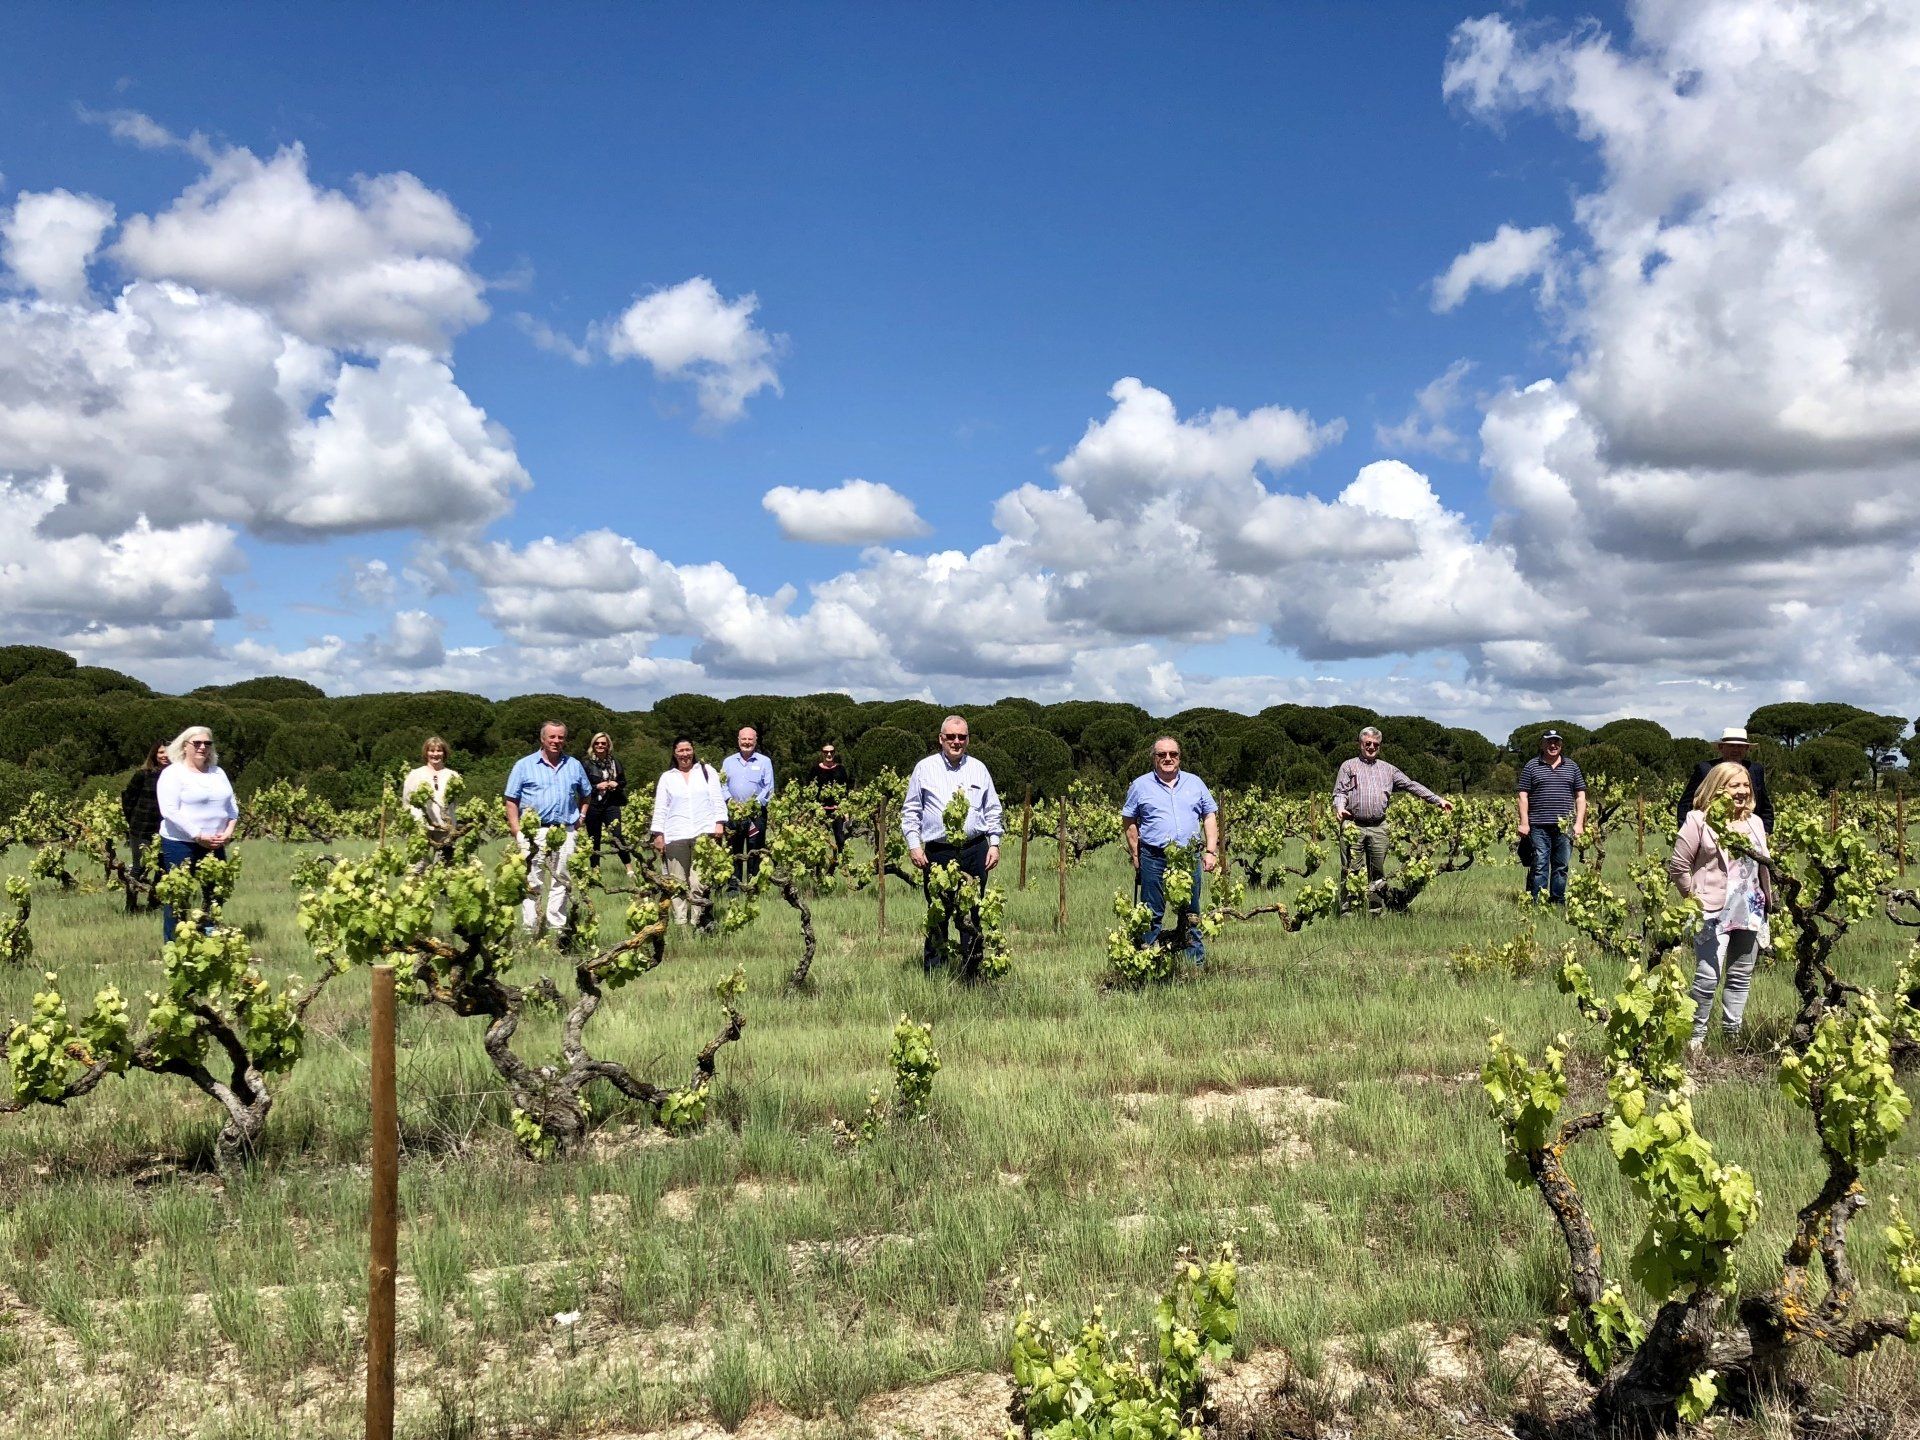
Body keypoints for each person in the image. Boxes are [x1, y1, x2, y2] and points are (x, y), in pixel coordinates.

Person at [1669, 762, 1771, 1052]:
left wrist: (1768, 903)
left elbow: (1763, 864)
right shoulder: (1697, 819)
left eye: (1745, 785)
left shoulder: (1756, 823)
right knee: (1707, 976)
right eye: (1734, 785)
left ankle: (1732, 1037)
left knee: (1740, 975)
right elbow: (1678, 865)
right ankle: (1695, 1039)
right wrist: (1693, 899)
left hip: (1750, 906)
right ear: (1717, 787)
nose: (1741, 791)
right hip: (1711, 910)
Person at [902, 716, 1003, 976]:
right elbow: (911, 810)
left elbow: (992, 809)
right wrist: (914, 845)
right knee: (939, 911)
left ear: (968, 739)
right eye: (951, 737)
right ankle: (935, 973)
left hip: (974, 849)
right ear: (941, 739)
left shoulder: (979, 769)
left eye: (962, 737)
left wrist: (994, 843)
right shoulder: (924, 768)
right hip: (939, 851)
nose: (956, 742)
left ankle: (971, 971)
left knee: (972, 910)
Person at [1331, 726, 1454, 915]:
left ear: (1379, 746)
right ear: (1360, 744)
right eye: (1368, 743)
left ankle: (1375, 912)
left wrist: (1438, 800)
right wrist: (1340, 808)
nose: (1371, 747)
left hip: (1379, 827)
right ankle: (1347, 913)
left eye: (1376, 744)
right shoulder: (1348, 766)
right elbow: (1340, 792)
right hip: (1353, 825)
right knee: (1350, 871)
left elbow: (1411, 785)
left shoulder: (1388, 769)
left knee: (1377, 873)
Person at [1121, 737, 1220, 964]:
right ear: (1154, 758)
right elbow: (1129, 821)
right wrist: (1136, 855)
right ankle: (1148, 963)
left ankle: (1194, 964)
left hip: (1188, 857)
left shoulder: (1195, 783)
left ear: (1179, 757)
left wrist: (1211, 851)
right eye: (1161, 754)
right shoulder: (1140, 785)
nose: (1168, 758)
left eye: (1173, 754)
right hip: (1153, 857)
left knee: (1191, 912)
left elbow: (1209, 815)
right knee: (1151, 913)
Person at [502, 721, 593, 936]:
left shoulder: (574, 765)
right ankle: (531, 928)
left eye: (560, 737)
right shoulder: (524, 765)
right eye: (552, 737)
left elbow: (586, 793)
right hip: (534, 832)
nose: (556, 741)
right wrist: (516, 829)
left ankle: (557, 928)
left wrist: (580, 818)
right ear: (542, 739)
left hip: (565, 830)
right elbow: (510, 799)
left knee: (561, 879)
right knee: (532, 879)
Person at [154, 726, 237, 943]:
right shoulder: (173, 773)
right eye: (197, 743)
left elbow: (232, 807)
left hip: (215, 843)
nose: (202, 747)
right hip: (181, 843)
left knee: (216, 892)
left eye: (207, 744)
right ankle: (174, 943)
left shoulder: (218, 773)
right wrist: (198, 834)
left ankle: (206, 933)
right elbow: (169, 810)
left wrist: (228, 832)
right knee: (178, 894)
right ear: (184, 746)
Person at [649, 738, 728, 926]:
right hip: (676, 834)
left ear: (693, 751)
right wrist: (658, 834)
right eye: (681, 750)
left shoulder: (707, 771)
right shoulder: (668, 777)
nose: (685, 754)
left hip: (704, 833)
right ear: (674, 753)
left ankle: (697, 921)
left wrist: (719, 823)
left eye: (688, 750)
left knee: (698, 882)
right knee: (677, 883)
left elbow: (717, 798)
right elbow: (661, 807)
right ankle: (681, 923)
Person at [1516, 730, 1587, 904]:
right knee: (1539, 865)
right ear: (1542, 744)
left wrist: (1579, 824)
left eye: (1556, 742)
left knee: (1561, 866)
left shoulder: (1572, 766)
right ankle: (1538, 902)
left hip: (1565, 826)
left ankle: (1557, 901)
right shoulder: (1531, 766)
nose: (1553, 746)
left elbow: (1581, 796)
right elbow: (1522, 796)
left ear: (1561, 745)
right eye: (1549, 742)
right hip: (1538, 825)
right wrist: (1524, 823)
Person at [1676, 726, 1775, 834]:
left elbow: (1765, 807)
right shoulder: (1705, 769)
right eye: (1731, 746)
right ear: (1721, 747)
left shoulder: (1755, 770)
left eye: (1740, 746)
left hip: (1748, 832)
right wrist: (1688, 832)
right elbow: (1685, 804)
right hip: (1711, 832)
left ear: (1746, 749)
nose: (1736, 750)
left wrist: (1765, 834)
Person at [119, 740, 169, 912]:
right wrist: (132, 820)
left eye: (168, 752)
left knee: (163, 868)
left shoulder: (175, 776)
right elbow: (128, 798)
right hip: (141, 829)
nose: (165, 756)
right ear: (154, 754)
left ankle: (154, 903)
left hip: (165, 830)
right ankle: (130, 906)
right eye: (161, 752)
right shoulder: (143, 774)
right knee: (139, 868)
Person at [722, 727, 775, 889]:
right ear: (738, 741)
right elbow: (722, 784)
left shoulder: (764, 761)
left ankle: (753, 886)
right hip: (734, 813)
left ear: (755, 741)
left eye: (750, 739)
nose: (746, 742)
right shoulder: (728, 761)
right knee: (734, 849)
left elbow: (768, 787)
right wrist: (731, 801)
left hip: (756, 814)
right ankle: (734, 886)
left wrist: (753, 806)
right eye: (743, 739)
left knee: (755, 849)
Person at [580, 732, 635, 878]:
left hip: (611, 803)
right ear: (593, 745)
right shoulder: (586, 764)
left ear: (608, 745)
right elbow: (582, 785)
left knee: (617, 836)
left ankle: (629, 869)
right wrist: (597, 786)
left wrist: (616, 784)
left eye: (603, 743)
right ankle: (595, 871)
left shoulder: (614, 762)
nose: (600, 746)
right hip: (593, 804)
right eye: (597, 743)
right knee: (594, 838)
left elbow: (623, 781)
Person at [403, 736, 461, 866]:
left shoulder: (453, 775)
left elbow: (454, 803)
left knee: (444, 867)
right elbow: (406, 801)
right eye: (431, 750)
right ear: (426, 753)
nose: (435, 754)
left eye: (439, 750)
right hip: (420, 827)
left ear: (444, 753)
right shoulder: (415, 774)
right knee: (418, 866)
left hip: (445, 828)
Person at [805, 743, 854, 854]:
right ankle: (818, 867)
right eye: (826, 752)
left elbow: (846, 790)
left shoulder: (840, 769)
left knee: (840, 839)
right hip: (819, 810)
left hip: (837, 810)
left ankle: (840, 863)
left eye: (831, 752)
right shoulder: (815, 770)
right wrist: (813, 808)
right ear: (822, 753)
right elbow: (809, 789)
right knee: (817, 840)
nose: (829, 754)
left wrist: (845, 810)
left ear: (834, 753)